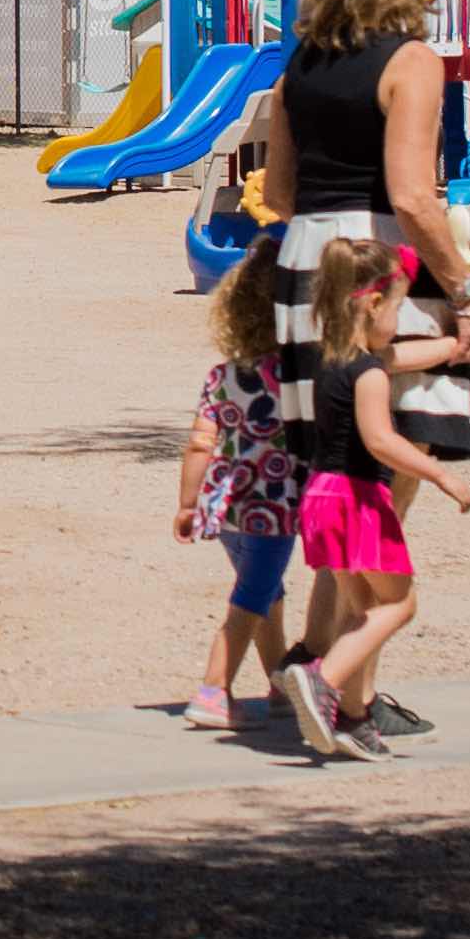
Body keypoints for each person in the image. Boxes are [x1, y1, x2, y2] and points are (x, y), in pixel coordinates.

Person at [253, 0, 470, 458]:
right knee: (397, 454)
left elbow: (280, 195)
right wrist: (466, 294)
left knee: (330, 463)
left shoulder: (298, 66)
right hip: (379, 264)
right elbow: (411, 196)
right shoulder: (412, 63)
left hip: (306, 260)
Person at [278, 241, 470, 761]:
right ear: (372, 307)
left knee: (361, 609)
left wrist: (450, 349)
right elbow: (380, 440)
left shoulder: (333, 357)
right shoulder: (368, 373)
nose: (398, 320)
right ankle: (321, 678)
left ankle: (352, 719)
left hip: (321, 498)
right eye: (396, 308)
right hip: (360, 500)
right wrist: (441, 475)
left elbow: (397, 356)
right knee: (399, 603)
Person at [172, 230, 301, 729]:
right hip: (274, 506)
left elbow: (201, 443)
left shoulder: (224, 375)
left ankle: (281, 687)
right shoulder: (294, 375)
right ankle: (213, 689)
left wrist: (188, 504)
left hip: (226, 506)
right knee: (251, 598)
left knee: (269, 594)